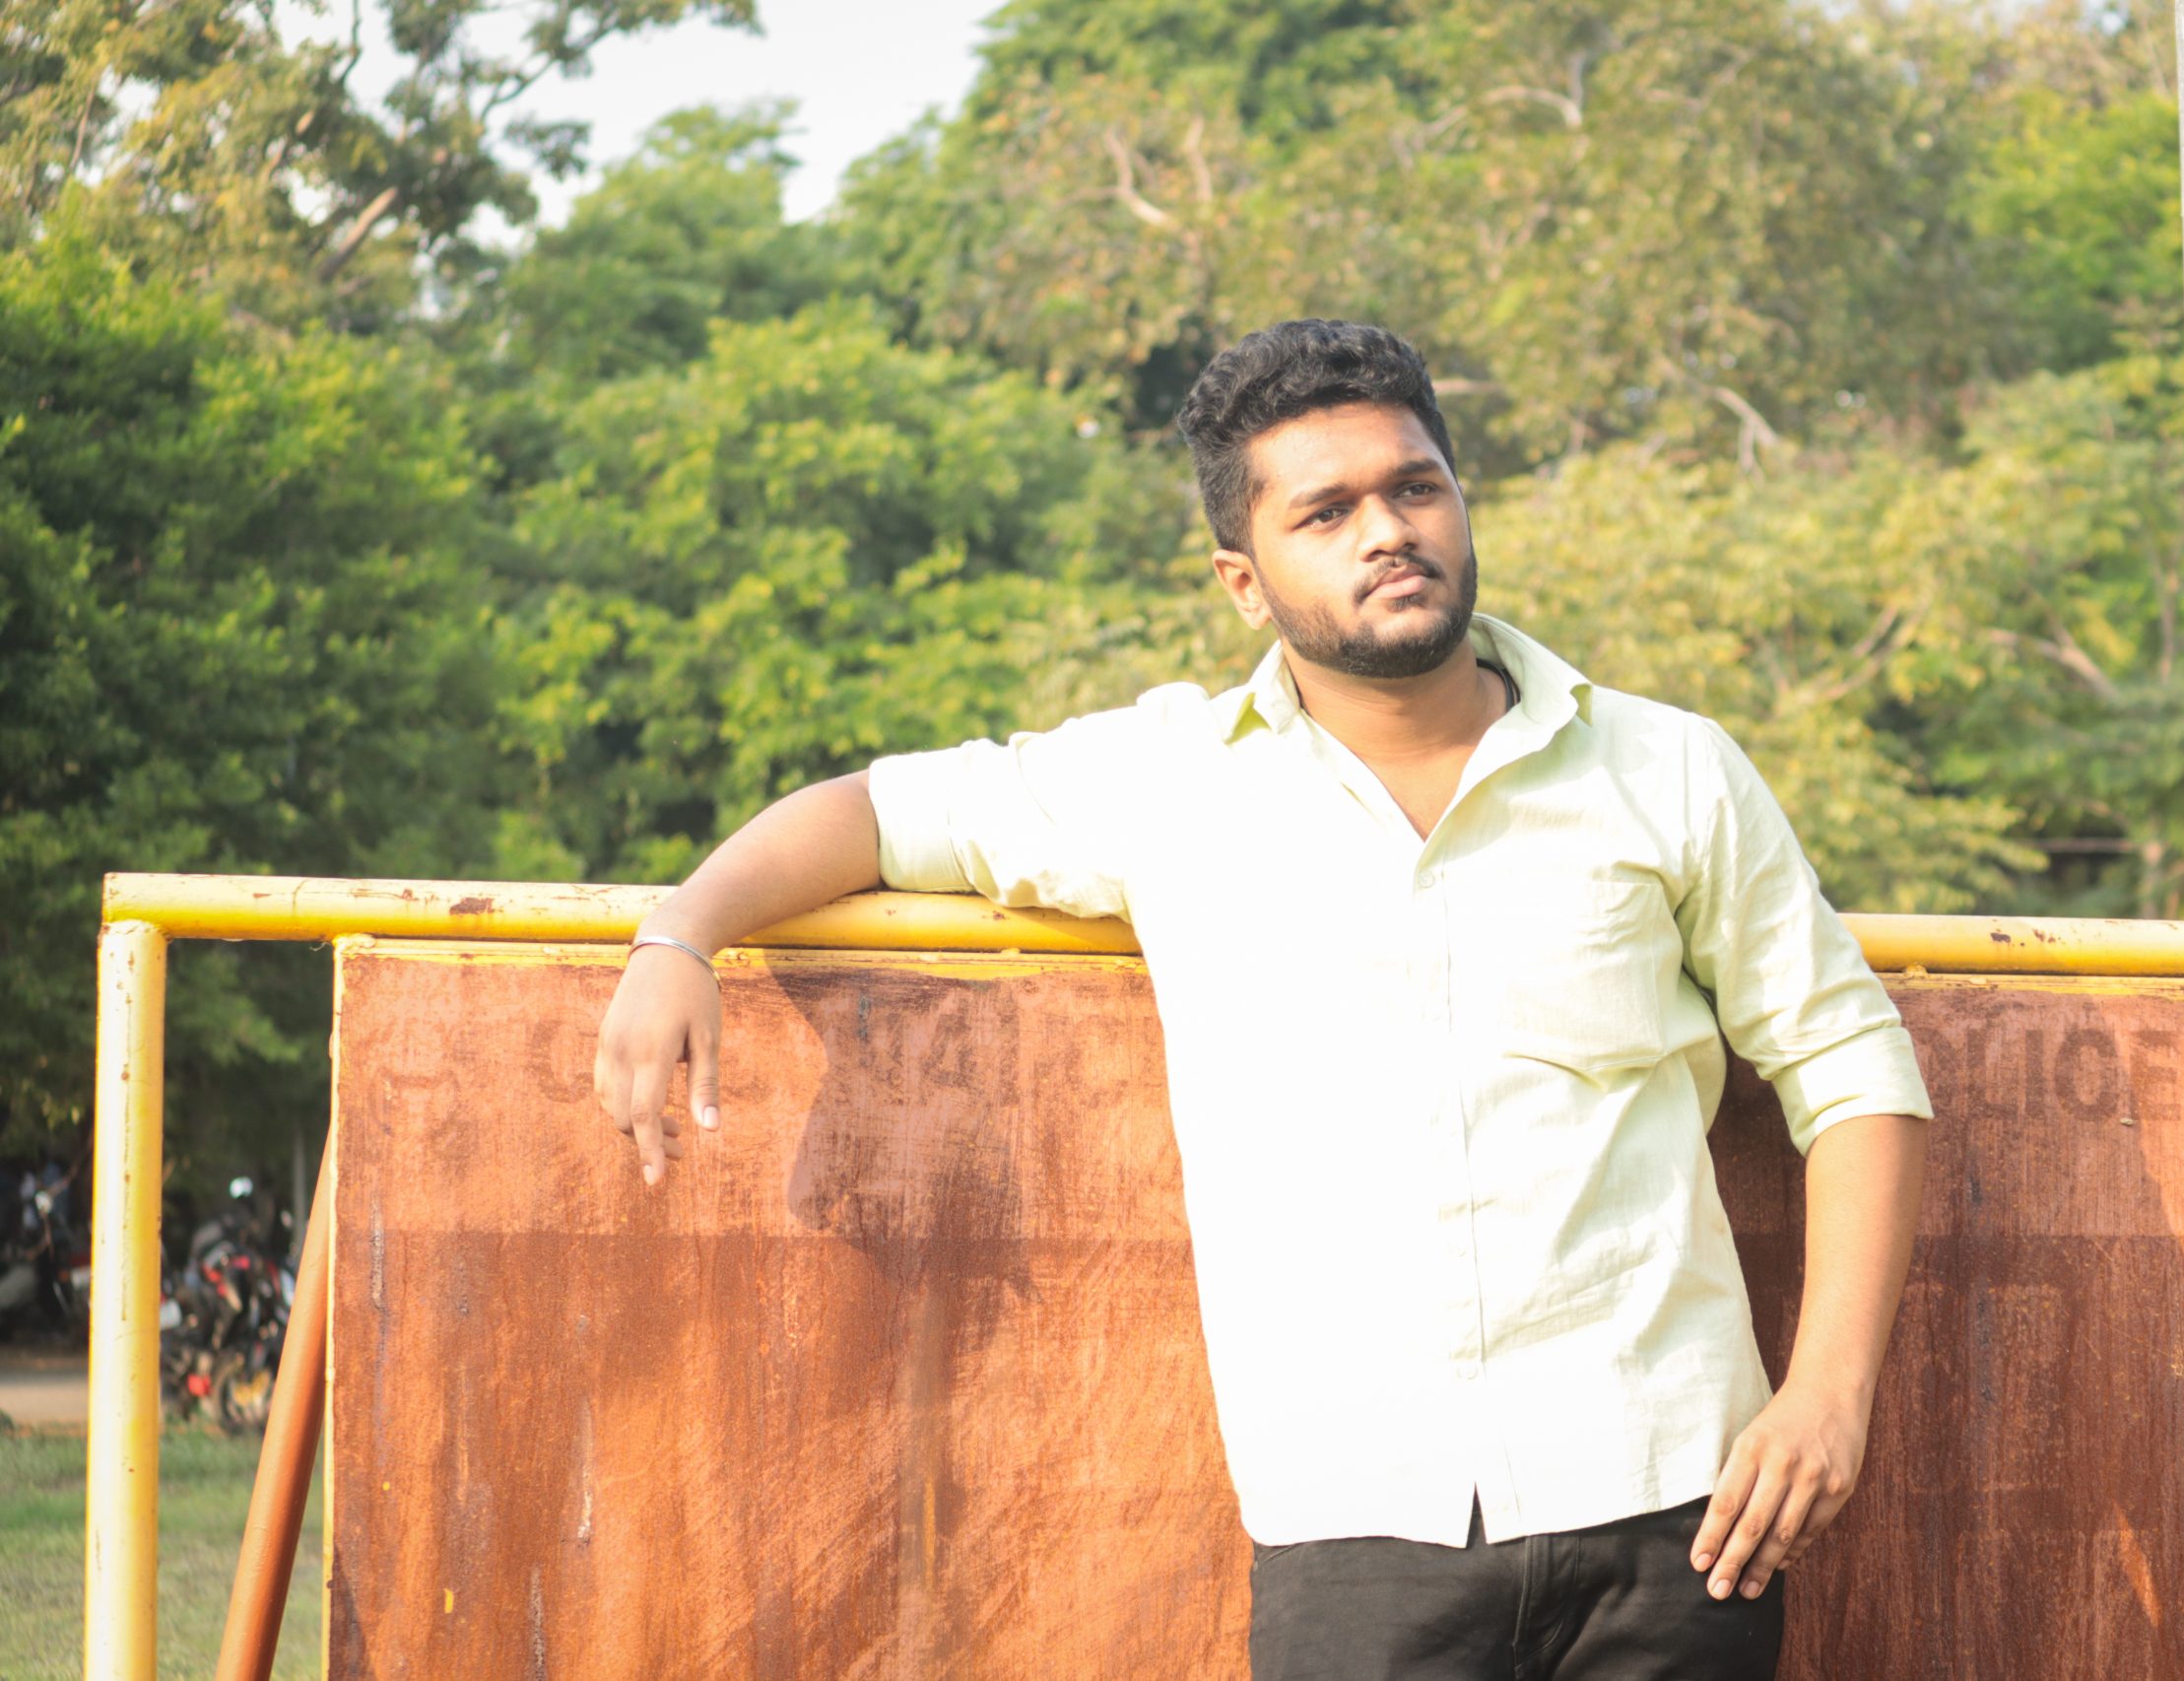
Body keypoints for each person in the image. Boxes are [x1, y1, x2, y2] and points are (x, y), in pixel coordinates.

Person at [593, 318, 1932, 1681]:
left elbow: (1852, 1066)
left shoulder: (1670, 768)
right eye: (1327, 510)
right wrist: (681, 932)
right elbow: (871, 813)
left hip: (1678, 1512)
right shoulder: (1165, 780)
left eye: (1416, 487)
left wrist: (1828, 1395)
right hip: (1354, 1528)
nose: (1388, 531)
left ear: (1462, 503)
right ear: (1245, 577)